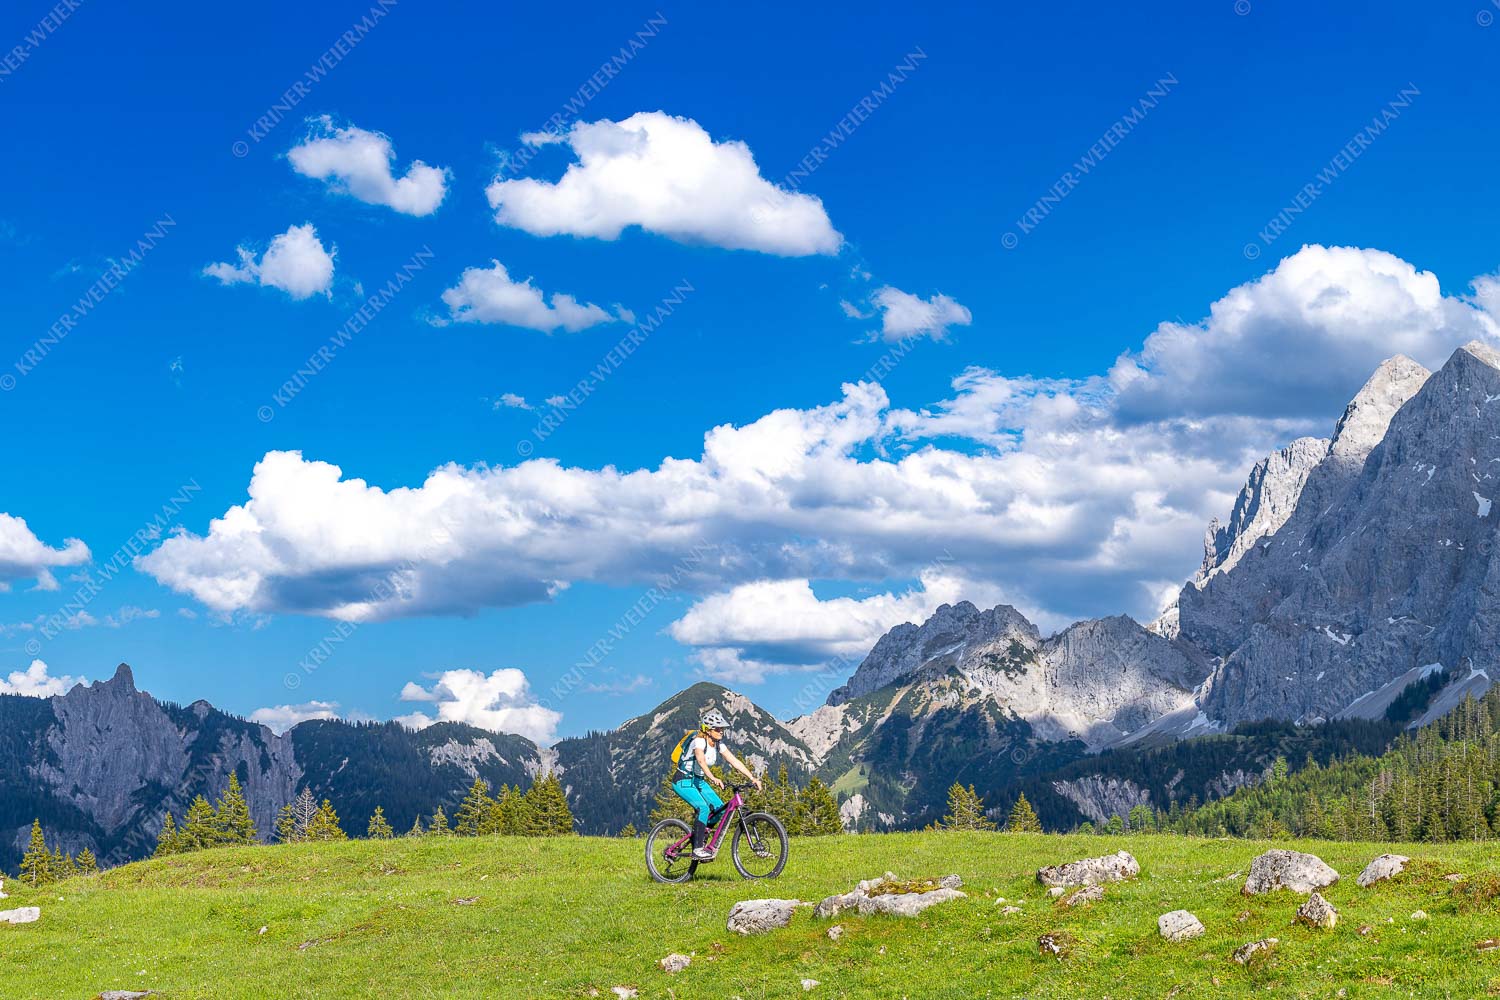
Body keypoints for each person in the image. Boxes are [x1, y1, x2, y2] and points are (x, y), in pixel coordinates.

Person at [673, 709, 761, 860]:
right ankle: (697, 849)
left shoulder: (718, 745)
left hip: (698, 781)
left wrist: (752, 777)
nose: (721, 731)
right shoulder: (699, 741)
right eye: (718, 729)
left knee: (720, 810)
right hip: (683, 780)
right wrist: (713, 777)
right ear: (707, 730)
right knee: (703, 807)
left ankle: (702, 836)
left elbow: (734, 761)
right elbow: (700, 760)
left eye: (722, 728)